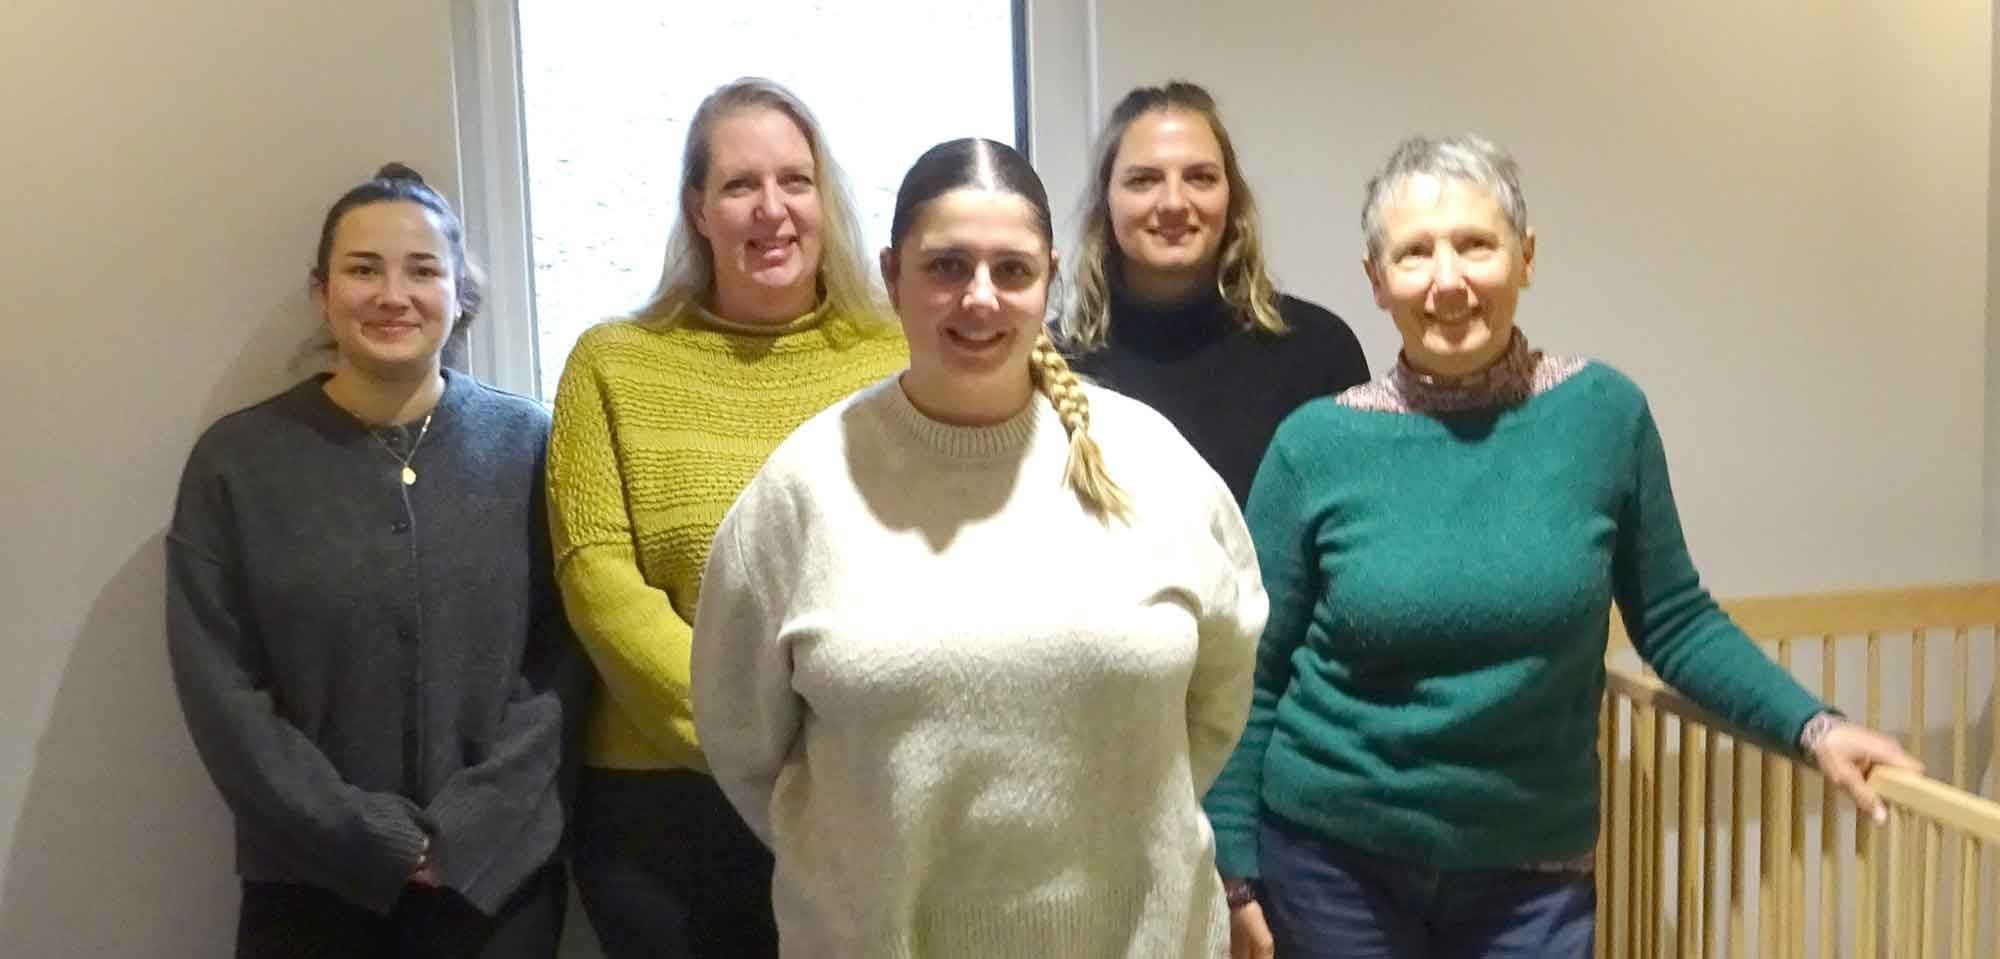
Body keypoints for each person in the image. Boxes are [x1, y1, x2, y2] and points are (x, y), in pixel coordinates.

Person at [1202, 134, 1923, 959]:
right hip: (1334, 869)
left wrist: (1814, 727)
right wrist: (1236, 872)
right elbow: (1250, 667)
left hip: (1530, 879)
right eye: (1414, 253)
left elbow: (1676, 619)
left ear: (1526, 256)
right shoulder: (1315, 444)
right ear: (1376, 279)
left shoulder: (1603, 415)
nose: (1448, 280)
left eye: (1476, 244)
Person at [690, 137, 1268, 958]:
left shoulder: (1155, 465)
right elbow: (743, 741)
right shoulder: (802, 489)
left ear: (1050, 277)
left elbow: (1220, 695)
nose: (981, 297)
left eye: (1013, 270)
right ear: (893, 275)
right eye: (947, 266)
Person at [166, 163, 587, 958]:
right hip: (307, 887)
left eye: (423, 270)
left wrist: (464, 830)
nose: (394, 294)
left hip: (495, 889)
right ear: (321, 291)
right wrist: (364, 837)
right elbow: (221, 689)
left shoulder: (531, 447)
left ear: (459, 293)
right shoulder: (237, 464)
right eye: (364, 269)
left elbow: (563, 664)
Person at [544, 77, 908, 959]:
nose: (771, 209)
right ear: (697, 210)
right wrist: (762, 738)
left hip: (865, 790)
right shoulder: (613, 363)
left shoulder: (900, 356)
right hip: (663, 812)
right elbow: (600, 584)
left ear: (826, 200)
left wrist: (837, 744)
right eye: (741, 184)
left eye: (795, 181)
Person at [1061, 81, 1369, 506]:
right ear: (1106, 201)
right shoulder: (1051, 364)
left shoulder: (1319, 351)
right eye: (1143, 180)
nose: (1173, 202)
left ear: (1231, 198)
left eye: (1200, 178)